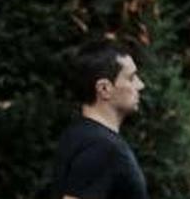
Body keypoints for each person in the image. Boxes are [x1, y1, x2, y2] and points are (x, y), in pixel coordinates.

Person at [49, 39, 148, 199]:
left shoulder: (78, 136)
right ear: (104, 89)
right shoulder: (102, 148)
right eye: (131, 78)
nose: (140, 85)